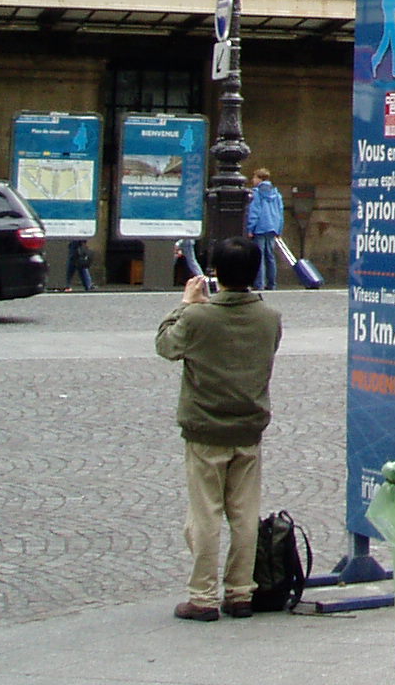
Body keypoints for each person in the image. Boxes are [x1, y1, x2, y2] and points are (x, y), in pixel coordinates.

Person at [155, 236, 283, 621]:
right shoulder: (269, 318)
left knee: (205, 514)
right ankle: (241, 591)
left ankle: (203, 596)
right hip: (248, 428)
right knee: (244, 515)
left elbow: (166, 346)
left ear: (215, 273)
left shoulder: (198, 318)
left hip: (206, 429)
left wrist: (185, 304)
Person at [243, 167, 284, 290]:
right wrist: (279, 229)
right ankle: (272, 284)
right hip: (273, 228)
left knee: (259, 256)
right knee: (270, 256)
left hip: (260, 227)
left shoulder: (256, 193)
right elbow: (280, 213)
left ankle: (259, 283)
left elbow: (254, 212)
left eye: (254, 177)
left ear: (260, 179)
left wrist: (250, 228)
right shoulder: (276, 194)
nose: (252, 180)